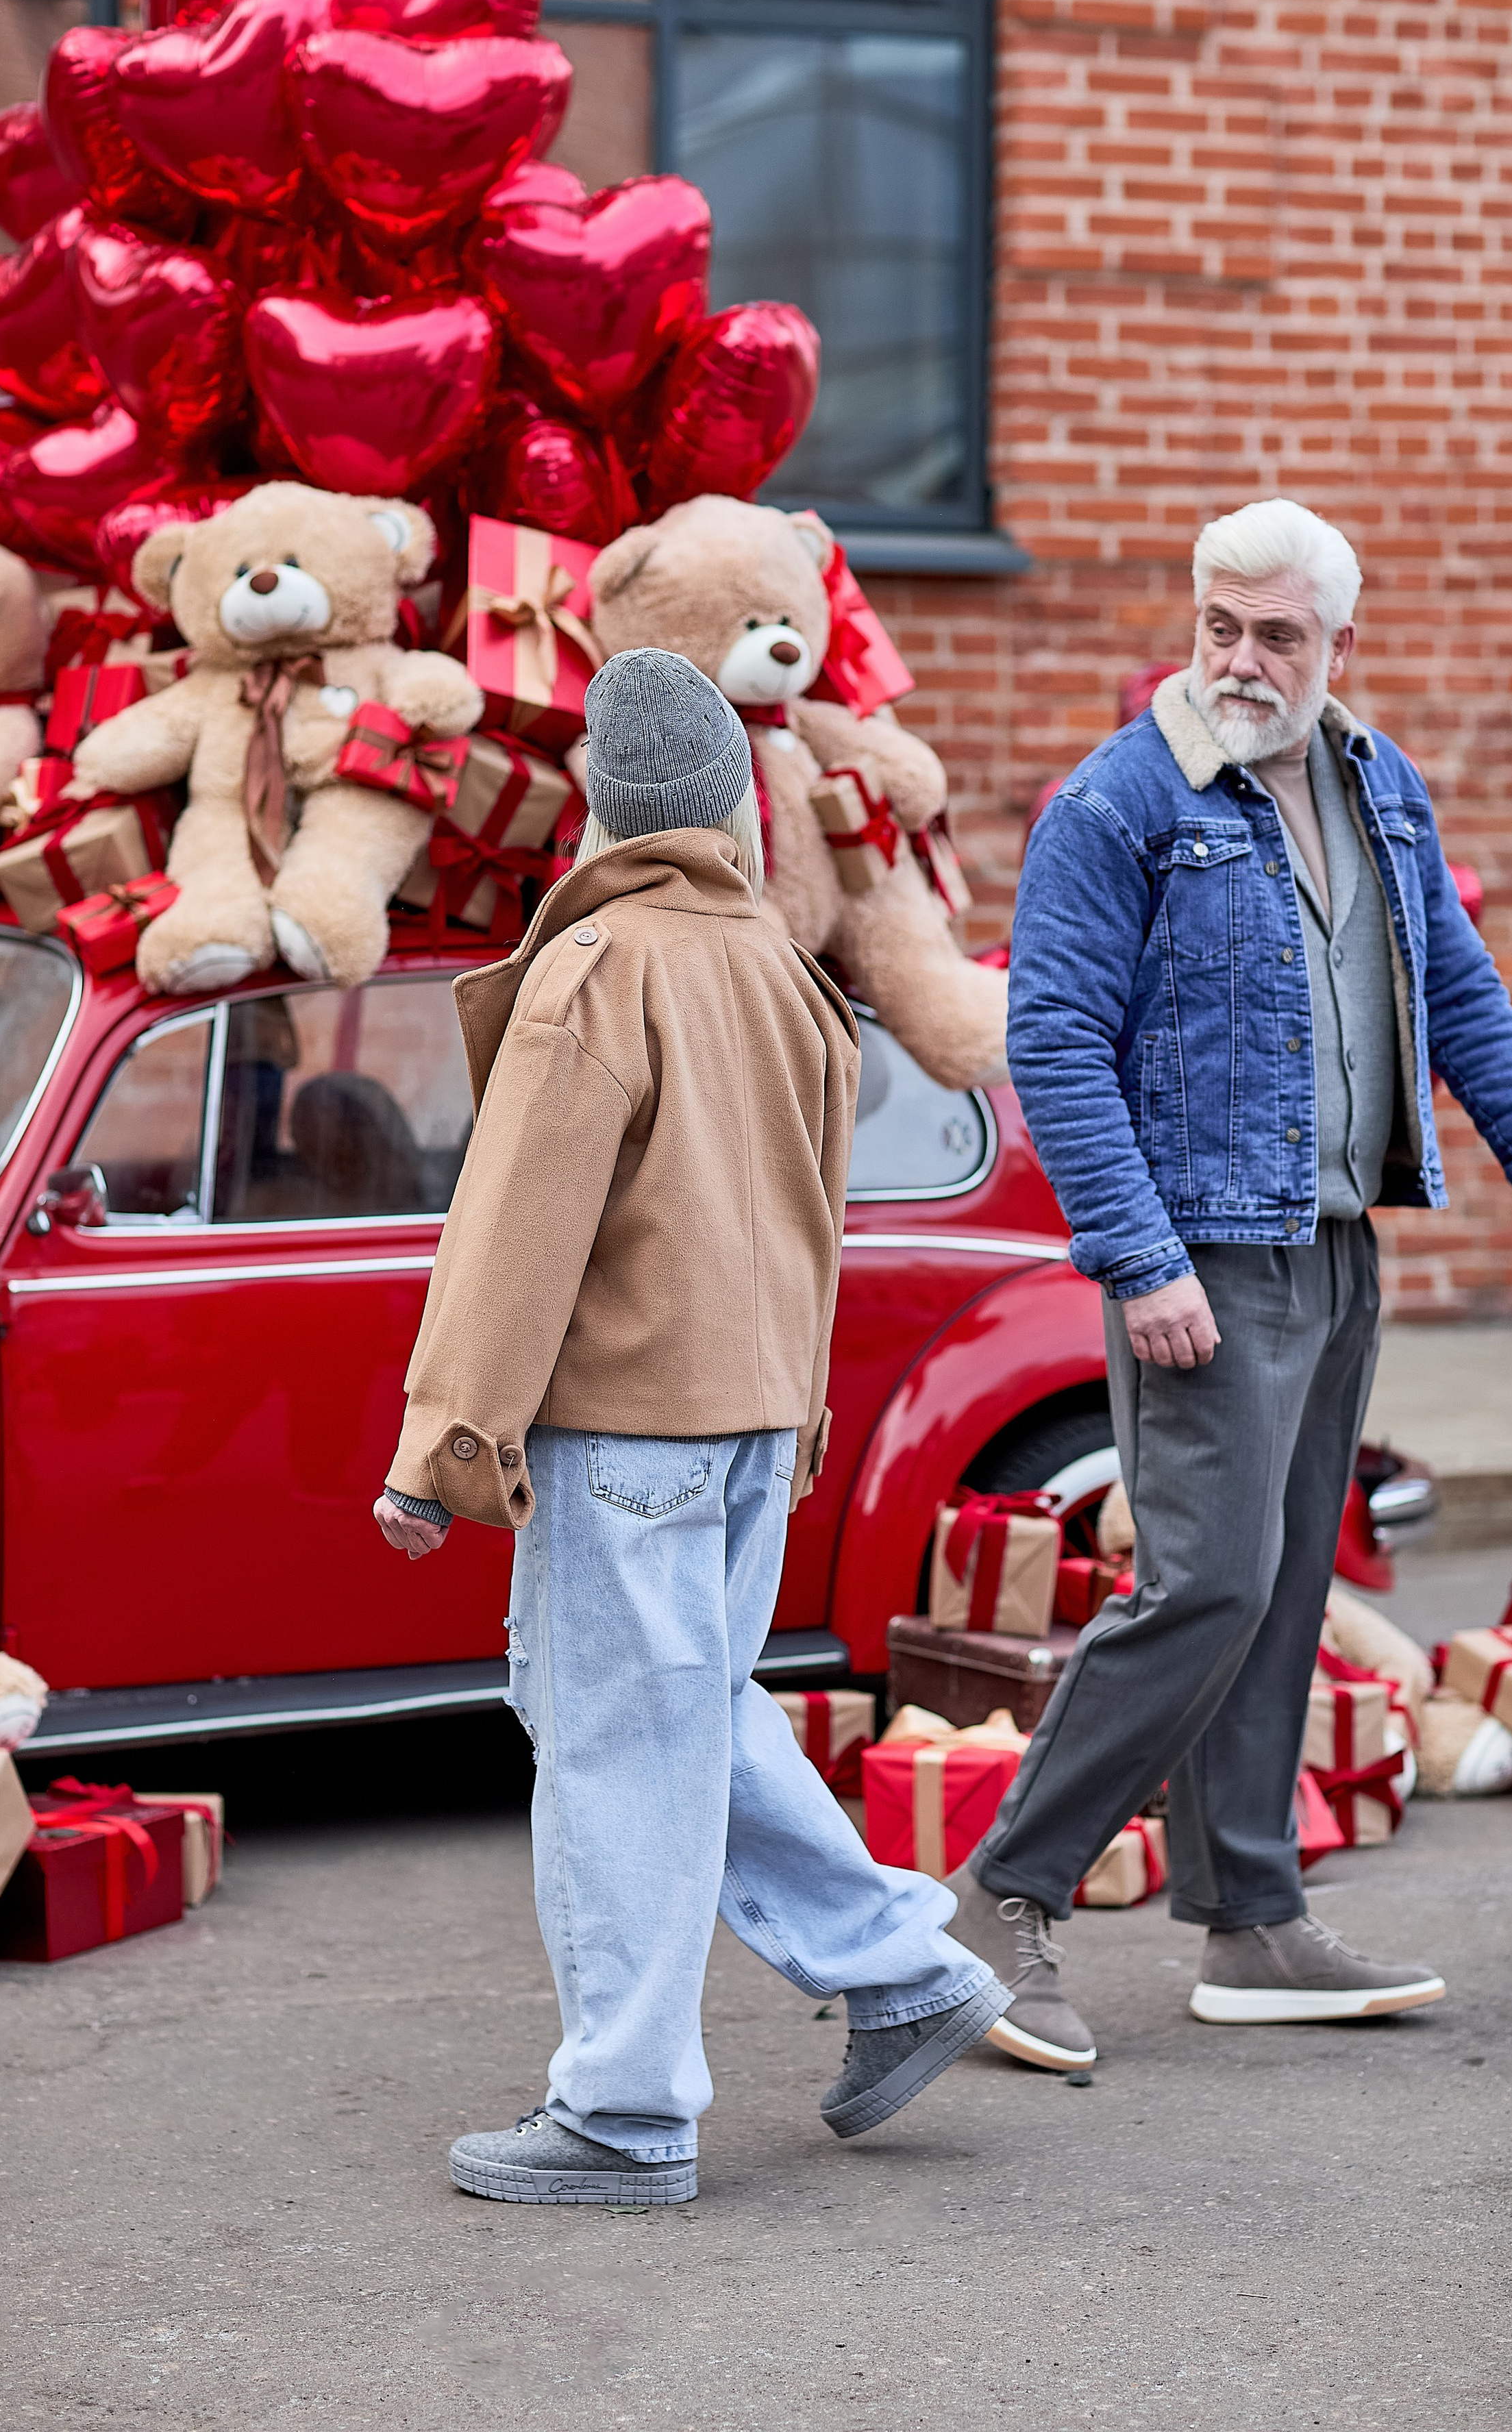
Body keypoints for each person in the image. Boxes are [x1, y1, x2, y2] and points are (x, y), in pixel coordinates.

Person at [943, 499, 1512, 2061]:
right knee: (1209, 1583)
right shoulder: (1113, 809)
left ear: (1334, 647)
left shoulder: (1378, 788)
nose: (1242, 660)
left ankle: (1247, 1920)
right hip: (1198, 1263)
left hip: (1331, 1247)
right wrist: (1137, 1255)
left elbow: (1453, 986)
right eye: (1219, 627)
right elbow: (1052, 1047)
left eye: (1277, 636)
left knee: (1288, 1585)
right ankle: (999, 1895)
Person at [374, 649, 1008, 2206]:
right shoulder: (781, 971)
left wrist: (443, 1450)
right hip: (744, 1427)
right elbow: (814, 1223)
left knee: (612, 1753)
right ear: (730, 799)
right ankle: (894, 1968)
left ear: (598, 806)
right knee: (678, 1719)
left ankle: (623, 2113)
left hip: (627, 1436)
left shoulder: (601, 969)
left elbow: (511, 1237)